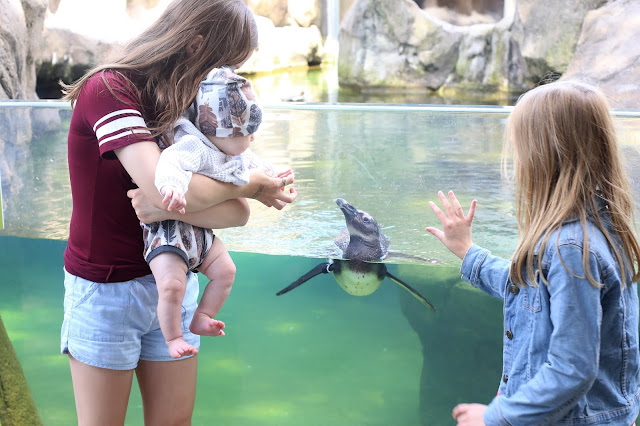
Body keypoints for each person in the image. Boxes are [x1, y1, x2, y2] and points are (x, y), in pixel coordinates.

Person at [59, 0, 297, 424]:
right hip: (108, 289)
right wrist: (255, 185)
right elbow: (159, 187)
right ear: (194, 45)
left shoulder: (188, 105)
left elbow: (235, 214)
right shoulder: (111, 89)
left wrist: (228, 195)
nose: (226, 79)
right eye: (224, 63)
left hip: (176, 278)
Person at [425, 80, 640, 425]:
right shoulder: (598, 227)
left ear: (545, 157)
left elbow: (571, 370)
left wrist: (496, 418)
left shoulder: (571, 248)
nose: (517, 163)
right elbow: (529, 290)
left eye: (521, 148)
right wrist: (468, 252)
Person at [146, 65, 289, 358]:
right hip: (169, 235)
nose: (252, 139)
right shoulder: (194, 146)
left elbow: (255, 166)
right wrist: (171, 187)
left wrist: (277, 179)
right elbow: (170, 162)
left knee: (226, 271)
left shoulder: (232, 151)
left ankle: (202, 316)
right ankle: (173, 337)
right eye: (247, 132)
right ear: (219, 131)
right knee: (172, 286)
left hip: (201, 235)